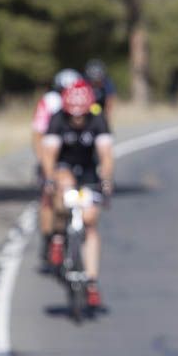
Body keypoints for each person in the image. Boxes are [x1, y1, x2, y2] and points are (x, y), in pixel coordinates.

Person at [41, 79, 114, 309]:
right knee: (63, 189)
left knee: (90, 221)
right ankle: (58, 237)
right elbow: (49, 154)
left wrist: (106, 180)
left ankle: (91, 282)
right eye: (73, 114)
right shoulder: (58, 119)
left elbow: (106, 155)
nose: (77, 119)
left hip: (89, 173)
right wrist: (50, 178)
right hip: (64, 168)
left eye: (81, 114)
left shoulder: (98, 120)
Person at [31, 69, 81, 269]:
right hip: (52, 154)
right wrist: (44, 163)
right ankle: (47, 240)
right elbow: (37, 133)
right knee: (48, 196)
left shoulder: (85, 102)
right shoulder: (50, 102)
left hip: (75, 155)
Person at [84, 58, 117, 123]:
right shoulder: (84, 82)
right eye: (93, 80)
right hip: (87, 106)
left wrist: (106, 117)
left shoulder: (107, 82)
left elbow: (110, 99)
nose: (96, 82)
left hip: (101, 106)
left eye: (98, 79)